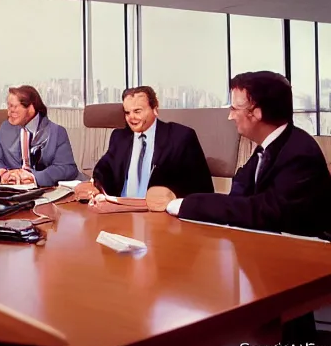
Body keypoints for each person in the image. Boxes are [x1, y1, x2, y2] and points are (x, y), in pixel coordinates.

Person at [165, 71, 331, 238]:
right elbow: (238, 197)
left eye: (235, 109)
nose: (230, 116)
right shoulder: (265, 148)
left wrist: (189, 204)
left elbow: (264, 212)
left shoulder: (300, 153)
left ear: (257, 113)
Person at [90, 86, 214, 198]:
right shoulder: (119, 137)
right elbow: (103, 170)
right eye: (127, 112)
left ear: (155, 109)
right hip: (121, 211)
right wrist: (95, 185)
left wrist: (171, 197)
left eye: (137, 111)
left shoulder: (181, 138)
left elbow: (202, 189)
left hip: (161, 214)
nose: (131, 117)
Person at [0, 85, 79, 187]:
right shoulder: (5, 128)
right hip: (10, 191)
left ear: (31, 108)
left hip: (45, 190)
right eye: (8, 106)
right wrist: (0, 172)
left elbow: (67, 168)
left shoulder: (57, 132)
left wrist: (33, 177)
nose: (9, 112)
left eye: (14, 107)